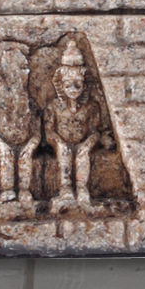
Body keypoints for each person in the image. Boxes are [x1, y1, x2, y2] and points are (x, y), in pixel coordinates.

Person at [44, 38, 101, 205]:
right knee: (64, 153)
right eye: (68, 85)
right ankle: (66, 187)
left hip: (81, 142)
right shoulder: (54, 106)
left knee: (83, 154)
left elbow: (95, 131)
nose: (73, 90)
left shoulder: (91, 106)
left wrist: (88, 144)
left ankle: (82, 188)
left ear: (85, 85)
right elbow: (49, 131)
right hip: (62, 143)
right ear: (61, 86)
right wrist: (59, 142)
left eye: (78, 85)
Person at [0, 48, 40, 204]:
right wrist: (1, 144)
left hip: (25, 143)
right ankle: (7, 190)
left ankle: (24, 190)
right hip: (4, 144)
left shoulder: (31, 106)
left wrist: (30, 145)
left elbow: (36, 133)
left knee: (25, 158)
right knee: (6, 157)